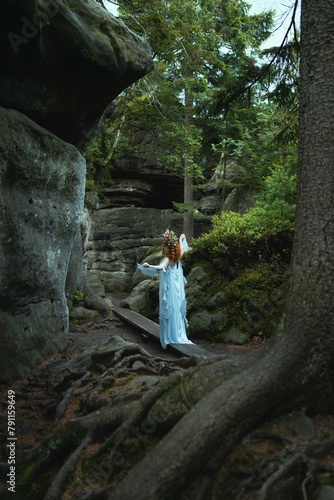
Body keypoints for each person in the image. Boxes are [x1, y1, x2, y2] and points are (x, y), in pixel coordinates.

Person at [137, 229, 194, 349]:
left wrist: (149, 265)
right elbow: (182, 250)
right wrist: (180, 239)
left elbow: (160, 267)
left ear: (170, 248)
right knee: (176, 309)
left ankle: (171, 335)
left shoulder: (168, 259)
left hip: (170, 289)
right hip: (177, 289)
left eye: (166, 246)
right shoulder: (178, 257)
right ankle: (177, 333)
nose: (165, 249)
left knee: (169, 307)